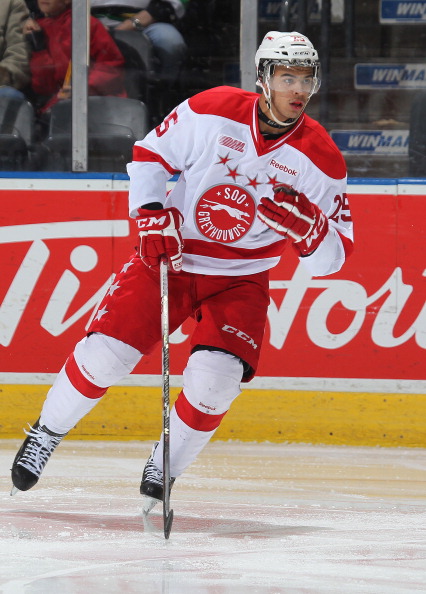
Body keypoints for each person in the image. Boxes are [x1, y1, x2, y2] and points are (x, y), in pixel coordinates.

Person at [11, 31, 354, 511]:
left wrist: (310, 230)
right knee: (105, 355)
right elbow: (151, 156)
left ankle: (165, 466)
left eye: (306, 79)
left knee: (217, 380)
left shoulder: (321, 157)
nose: (298, 90)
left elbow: (332, 260)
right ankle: (46, 432)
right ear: (263, 78)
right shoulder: (213, 109)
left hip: (242, 278)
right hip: (172, 259)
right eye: (287, 77)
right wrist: (151, 214)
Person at [23, 0, 127, 114]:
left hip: (99, 102)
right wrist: (39, 49)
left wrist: (81, 87)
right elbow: (45, 88)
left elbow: (111, 67)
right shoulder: (38, 28)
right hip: (60, 104)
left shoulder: (88, 24)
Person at [90, 0, 187, 87]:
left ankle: (164, 90)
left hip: (148, 22)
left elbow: (171, 4)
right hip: (90, 23)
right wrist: (94, 24)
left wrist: (133, 23)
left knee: (170, 41)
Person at [0, 0, 30, 100]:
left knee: (9, 96)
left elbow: (19, 54)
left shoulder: (12, 3)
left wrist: (3, 75)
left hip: (2, 89)